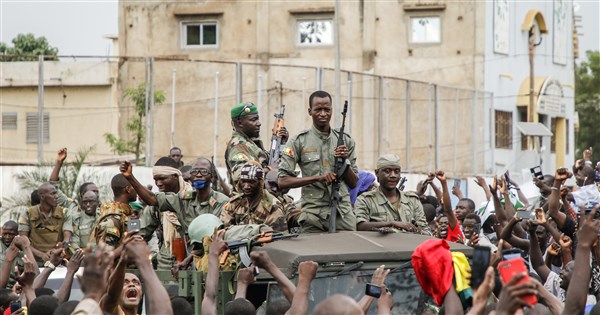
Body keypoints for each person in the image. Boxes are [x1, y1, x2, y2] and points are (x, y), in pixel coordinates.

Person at [279, 90, 359, 233]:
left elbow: (353, 183)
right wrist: (318, 178)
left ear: (332, 111)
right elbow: (283, 181)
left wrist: (345, 162)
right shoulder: (299, 141)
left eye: (327, 110)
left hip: (343, 214)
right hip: (313, 215)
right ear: (310, 111)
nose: (323, 114)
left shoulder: (346, 141)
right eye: (318, 110)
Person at [120, 158, 229, 253]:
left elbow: (220, 236)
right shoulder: (183, 199)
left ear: (213, 176)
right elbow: (152, 199)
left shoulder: (222, 202)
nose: (199, 175)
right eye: (195, 171)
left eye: (204, 171)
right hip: (183, 261)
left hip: (211, 259)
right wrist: (130, 177)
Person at [354, 154, 430, 234]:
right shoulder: (365, 200)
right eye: (387, 171)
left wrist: (415, 230)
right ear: (377, 173)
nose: (393, 175)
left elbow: (425, 230)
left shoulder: (412, 200)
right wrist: (391, 224)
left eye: (397, 171)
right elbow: (360, 225)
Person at [225, 102, 288, 186]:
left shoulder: (250, 143)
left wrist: (281, 144)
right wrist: (270, 169)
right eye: (253, 120)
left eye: (258, 119)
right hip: (247, 198)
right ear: (240, 123)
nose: (259, 123)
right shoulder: (238, 146)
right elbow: (242, 176)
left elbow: (268, 162)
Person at [221, 164, 287, 232]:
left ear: (260, 183)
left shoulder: (272, 207)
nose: (246, 186)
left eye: (251, 182)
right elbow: (224, 231)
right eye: (243, 182)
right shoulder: (234, 203)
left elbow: (277, 237)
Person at [18, 182, 65, 265]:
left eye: (56, 193)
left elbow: (68, 238)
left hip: (57, 262)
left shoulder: (64, 213)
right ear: (42, 196)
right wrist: (42, 255)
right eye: (53, 194)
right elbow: (23, 242)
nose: (57, 196)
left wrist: (56, 252)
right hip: (33, 263)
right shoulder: (27, 213)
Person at [91, 174, 137, 250]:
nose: (137, 190)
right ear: (128, 189)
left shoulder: (124, 214)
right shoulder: (113, 219)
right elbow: (106, 255)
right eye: (134, 187)